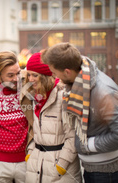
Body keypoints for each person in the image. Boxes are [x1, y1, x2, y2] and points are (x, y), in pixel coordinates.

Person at [42, 42, 118, 183]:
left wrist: (87, 145)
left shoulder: (104, 92)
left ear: (67, 72)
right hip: (92, 167)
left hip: (107, 171)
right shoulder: (79, 81)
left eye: (55, 73)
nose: (54, 76)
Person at [25, 52, 82, 183]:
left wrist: (62, 164)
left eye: (35, 75)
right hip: (36, 164)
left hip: (61, 170)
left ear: (46, 76)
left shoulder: (63, 96)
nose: (30, 79)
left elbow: (73, 135)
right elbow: (35, 130)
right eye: (29, 74)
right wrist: (31, 152)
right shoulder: (35, 96)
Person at [0, 51, 34, 183]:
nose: (16, 78)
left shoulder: (27, 80)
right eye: (10, 75)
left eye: (18, 73)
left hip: (26, 159)